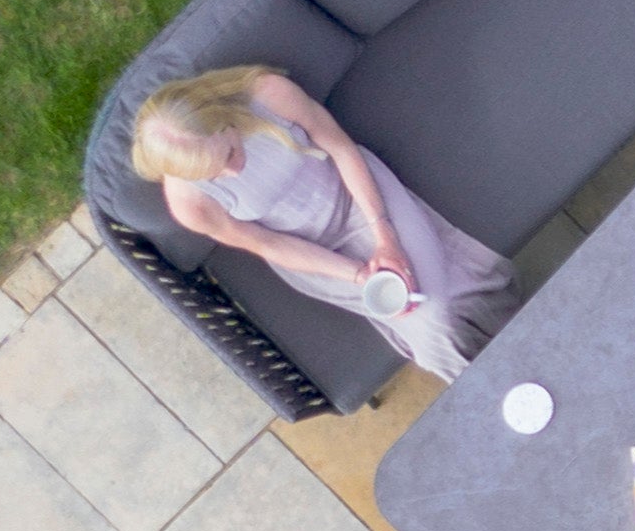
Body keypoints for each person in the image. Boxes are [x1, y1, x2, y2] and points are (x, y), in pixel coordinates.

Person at [131, 65, 517, 382]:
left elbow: (341, 147)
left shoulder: (268, 95)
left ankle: (512, 356)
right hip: (313, 257)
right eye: (216, 176)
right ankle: (493, 385)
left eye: (230, 153)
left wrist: (385, 237)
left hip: (362, 202)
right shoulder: (189, 204)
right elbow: (267, 244)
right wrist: (358, 276)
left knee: (436, 306)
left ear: (224, 118)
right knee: (427, 325)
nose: (233, 171)